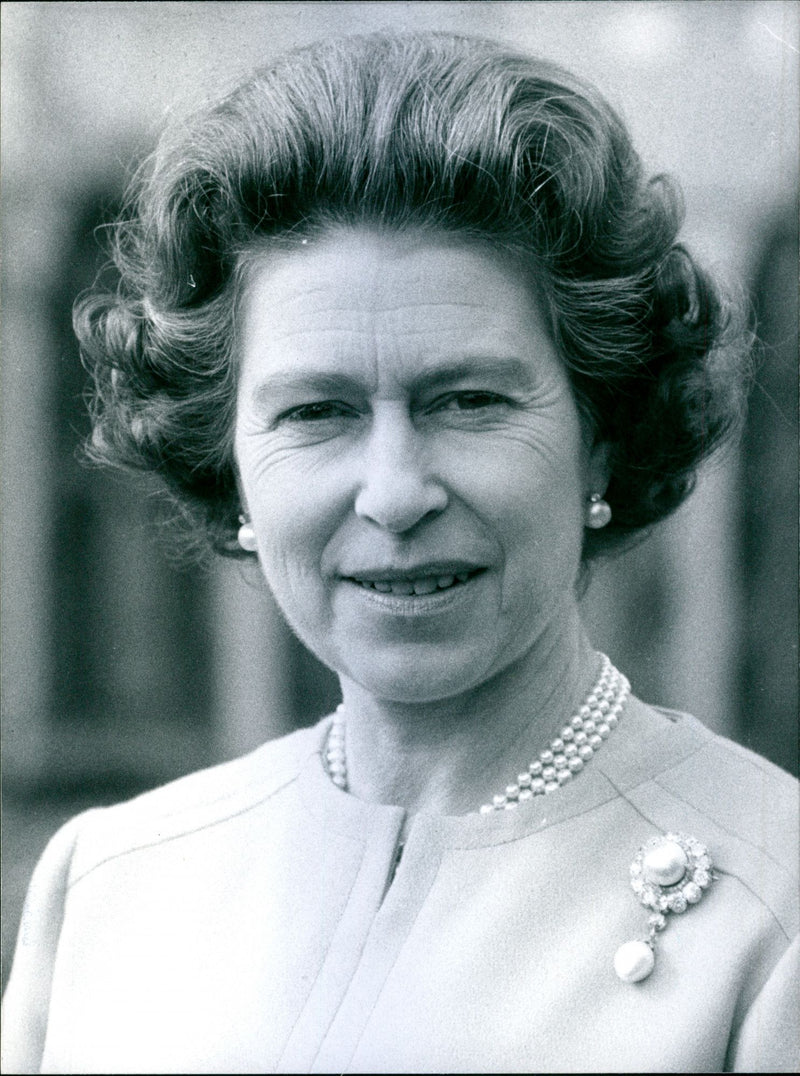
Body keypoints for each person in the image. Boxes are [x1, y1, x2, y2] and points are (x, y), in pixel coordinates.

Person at [2, 31, 797, 1075]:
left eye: (467, 401)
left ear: (599, 431)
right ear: (229, 461)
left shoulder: (770, 904)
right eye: (316, 410)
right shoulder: (107, 882)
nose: (393, 493)